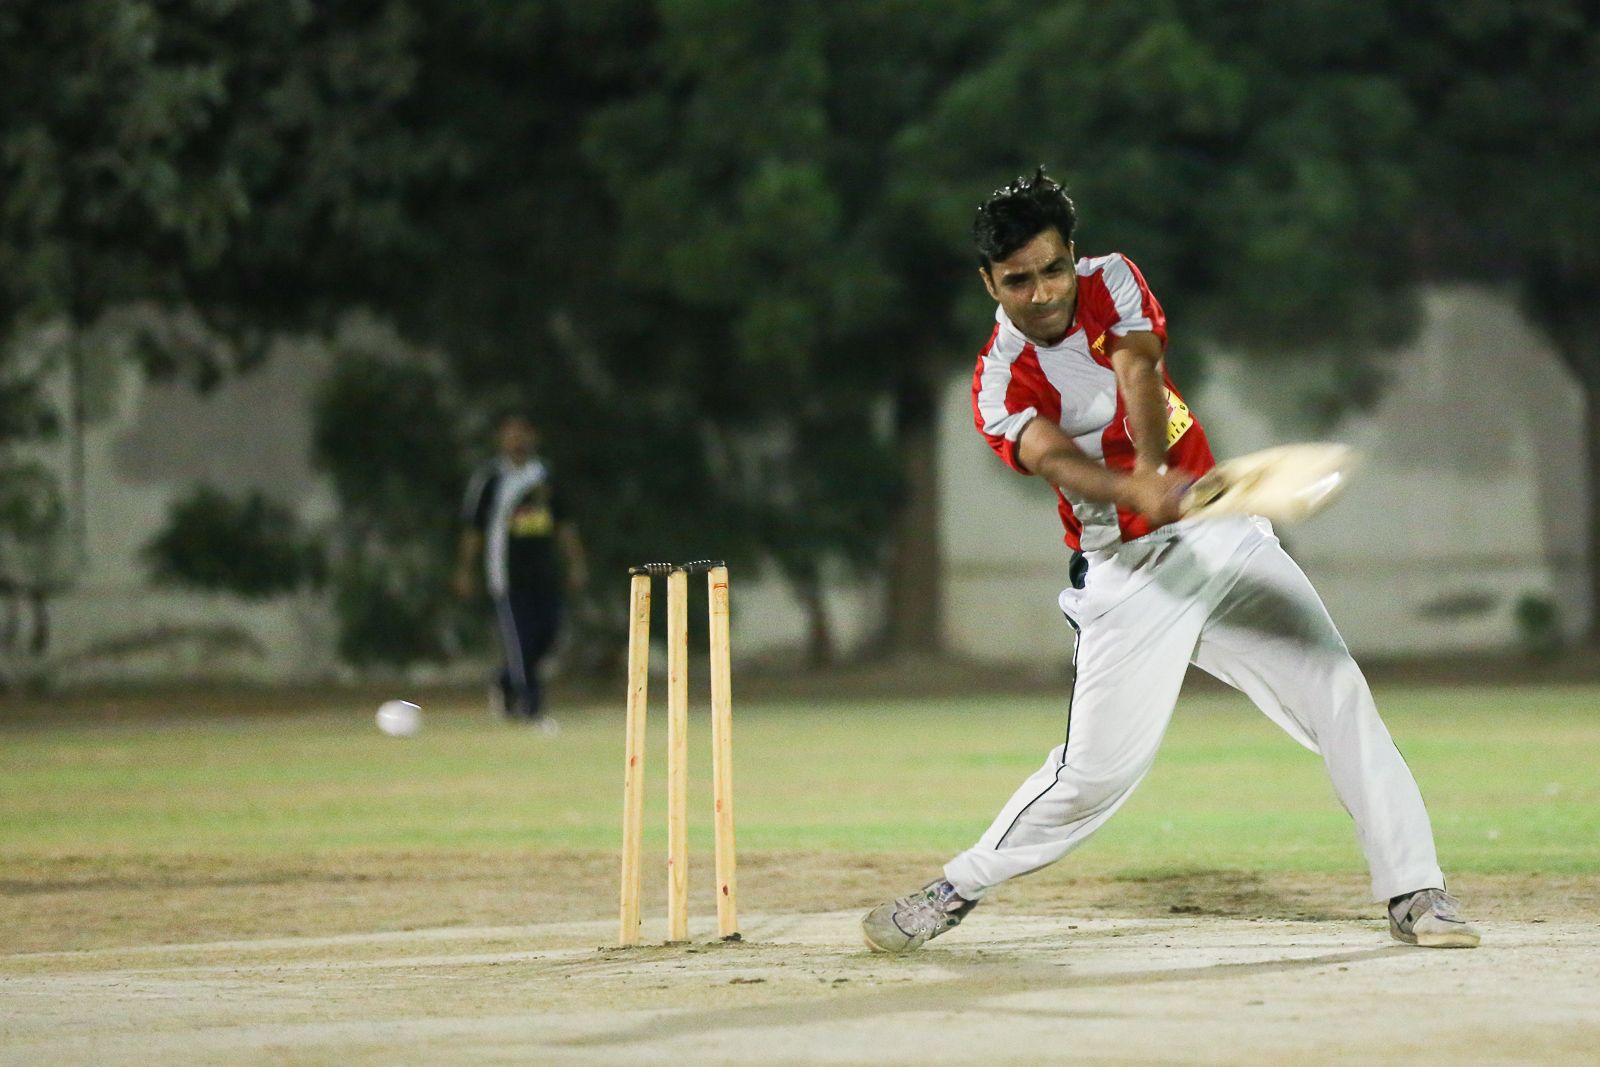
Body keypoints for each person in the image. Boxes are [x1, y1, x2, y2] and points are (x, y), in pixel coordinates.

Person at [861, 167, 1480, 953]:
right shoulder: (997, 380)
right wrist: (1133, 489)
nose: (1042, 292)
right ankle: (956, 887)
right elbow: (1052, 457)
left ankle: (1415, 891)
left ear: (1072, 255)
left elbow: (1139, 369)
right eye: (1018, 279)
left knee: (1339, 692)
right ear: (990, 280)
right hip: (1126, 576)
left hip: (1222, 537)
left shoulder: (1112, 279)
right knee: (1094, 774)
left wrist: (1154, 468)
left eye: (1053, 269)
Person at [454, 413, 587, 733]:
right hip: (507, 575)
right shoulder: (491, 479)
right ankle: (531, 707)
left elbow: (564, 524)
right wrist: (465, 570)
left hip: (545, 573)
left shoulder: (544, 477)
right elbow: (474, 529)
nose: (517, 441)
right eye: (510, 434)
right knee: (520, 641)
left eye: (522, 434)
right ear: (500, 439)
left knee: (547, 636)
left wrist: (576, 563)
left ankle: (504, 681)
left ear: (533, 437)